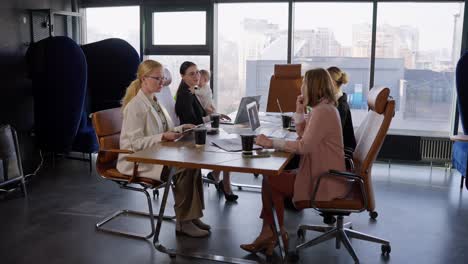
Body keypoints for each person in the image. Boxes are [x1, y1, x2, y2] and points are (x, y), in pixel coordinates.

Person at [240, 68, 349, 256]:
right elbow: (303, 134)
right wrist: (299, 110)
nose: (302, 87)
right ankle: (271, 233)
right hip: (323, 173)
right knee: (270, 179)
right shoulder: (324, 108)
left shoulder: (323, 111)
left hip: (324, 181)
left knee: (271, 180)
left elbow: (303, 146)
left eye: (305, 84)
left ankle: (274, 233)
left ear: (314, 87)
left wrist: (271, 142)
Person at [117, 60, 211, 238]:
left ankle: (192, 217)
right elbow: (134, 144)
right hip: (138, 160)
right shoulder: (135, 107)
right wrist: (162, 137)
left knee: (194, 164)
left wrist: (179, 129)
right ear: (144, 79)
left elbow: (163, 130)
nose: (162, 82)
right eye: (158, 78)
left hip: (156, 153)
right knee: (184, 168)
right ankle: (184, 223)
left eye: (163, 78)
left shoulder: (154, 101)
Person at [175, 61, 238, 202]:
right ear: (182, 76)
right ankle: (223, 183)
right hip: (191, 140)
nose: (196, 76)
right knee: (226, 147)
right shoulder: (185, 95)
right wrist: (209, 119)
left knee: (226, 144)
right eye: (191, 73)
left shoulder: (192, 91)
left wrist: (215, 116)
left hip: (198, 133)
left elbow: (199, 117)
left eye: (197, 72)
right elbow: (192, 123)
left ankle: (218, 177)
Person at [327, 66, 356, 152]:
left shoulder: (341, 107)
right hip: (336, 148)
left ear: (331, 83)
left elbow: (332, 134)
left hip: (341, 152)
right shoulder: (336, 100)